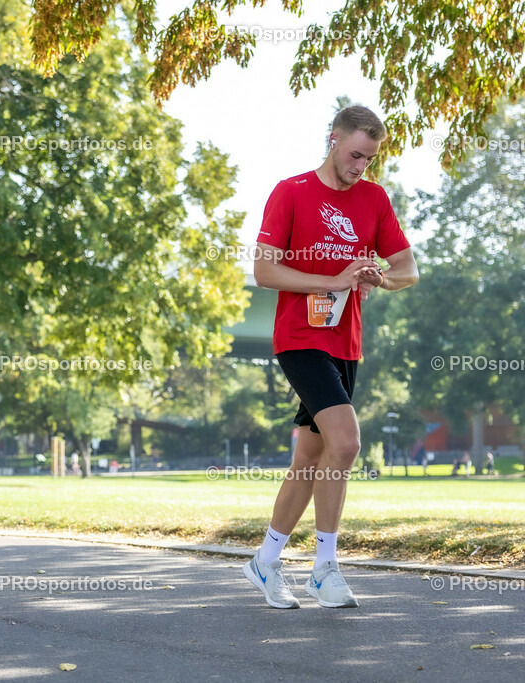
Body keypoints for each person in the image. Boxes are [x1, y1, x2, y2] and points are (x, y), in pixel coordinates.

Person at [244, 106, 419, 609]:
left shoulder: (374, 198)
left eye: (369, 158)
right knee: (346, 443)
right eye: (354, 154)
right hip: (300, 338)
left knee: (310, 456)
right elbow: (264, 270)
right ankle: (324, 567)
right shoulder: (291, 191)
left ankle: (265, 561)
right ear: (333, 138)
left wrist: (378, 278)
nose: (361, 165)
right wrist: (334, 279)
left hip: (346, 343)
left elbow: (408, 269)